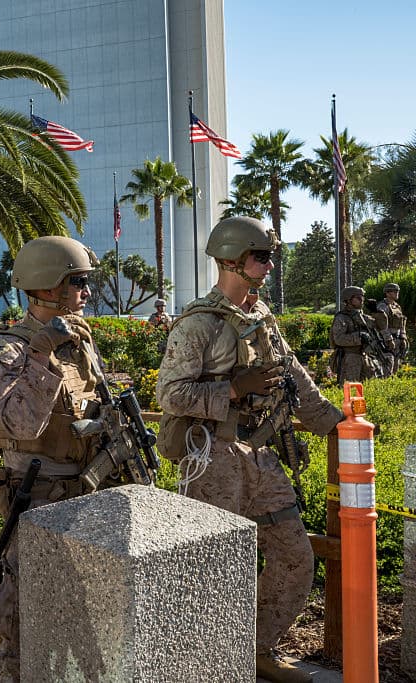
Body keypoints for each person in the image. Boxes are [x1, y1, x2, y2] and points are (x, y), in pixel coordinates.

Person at [156, 216, 344, 683]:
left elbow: (294, 373)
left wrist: (338, 425)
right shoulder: (198, 323)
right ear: (231, 259)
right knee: (214, 567)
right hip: (213, 459)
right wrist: (232, 391)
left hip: (262, 456)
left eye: (270, 256)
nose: (269, 264)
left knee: (295, 557)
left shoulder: (261, 316)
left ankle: (256, 648)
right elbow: (169, 395)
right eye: (261, 256)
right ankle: (205, 662)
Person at [0, 235, 120, 682]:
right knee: (25, 620)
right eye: (78, 282)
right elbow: (22, 426)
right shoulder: (9, 349)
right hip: (36, 496)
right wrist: (42, 355)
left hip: (84, 493)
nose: (87, 292)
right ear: (47, 285)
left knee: (80, 615)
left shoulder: (79, 339)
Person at [330, 286, 383, 384]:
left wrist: (376, 312)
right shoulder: (342, 317)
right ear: (349, 300)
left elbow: (380, 326)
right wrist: (359, 337)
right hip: (350, 358)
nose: (362, 300)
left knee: (369, 387)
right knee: (350, 389)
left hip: (365, 356)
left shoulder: (362, 316)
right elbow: (338, 339)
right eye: (358, 298)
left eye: (362, 298)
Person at [375, 283, 408, 375]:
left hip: (397, 340)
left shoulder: (397, 306)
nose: (397, 293)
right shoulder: (382, 306)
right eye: (395, 291)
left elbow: (401, 324)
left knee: (395, 368)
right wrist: (388, 339)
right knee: (387, 368)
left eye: (398, 291)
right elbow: (381, 325)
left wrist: (403, 337)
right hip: (386, 341)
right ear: (387, 293)